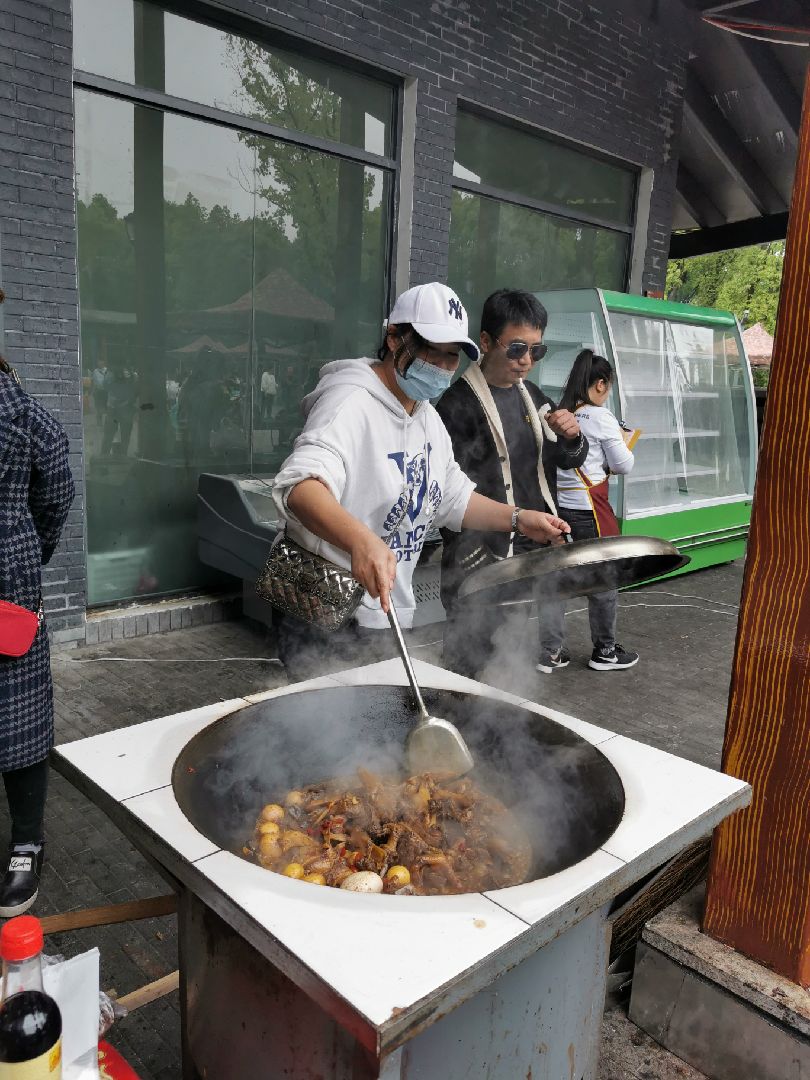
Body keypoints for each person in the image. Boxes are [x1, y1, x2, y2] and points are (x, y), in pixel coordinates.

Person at [271, 282, 570, 681]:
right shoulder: (349, 402)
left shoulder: (426, 416)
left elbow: (454, 498)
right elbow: (300, 486)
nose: (444, 367)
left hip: (383, 598)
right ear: (394, 337)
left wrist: (518, 518)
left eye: (452, 357)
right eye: (432, 351)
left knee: (376, 717)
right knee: (329, 722)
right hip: (320, 591)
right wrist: (361, 541)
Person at [436, 288, 588, 680]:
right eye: (517, 348)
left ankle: (497, 723)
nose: (526, 361)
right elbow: (445, 496)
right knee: (468, 658)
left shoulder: (533, 397)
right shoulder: (456, 406)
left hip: (527, 552)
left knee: (509, 656)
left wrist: (572, 437)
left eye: (536, 351)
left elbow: (569, 461)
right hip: (476, 558)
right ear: (485, 341)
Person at [0, 351, 75, 915]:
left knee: (18, 717)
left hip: (7, 586)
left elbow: (55, 490)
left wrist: (23, 551)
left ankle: (27, 840)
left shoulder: (18, 407)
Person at [537, 349, 638, 672]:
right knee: (602, 582)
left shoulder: (562, 413)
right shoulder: (601, 417)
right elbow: (623, 464)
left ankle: (551, 653)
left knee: (555, 583)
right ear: (599, 384)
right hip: (590, 511)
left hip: (557, 511)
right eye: (607, 388)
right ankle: (605, 651)